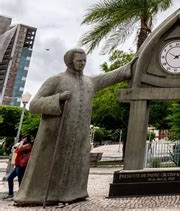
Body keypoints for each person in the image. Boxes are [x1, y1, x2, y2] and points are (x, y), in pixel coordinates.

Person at [14, 48, 135, 206]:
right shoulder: (56, 80)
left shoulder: (89, 82)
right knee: (52, 165)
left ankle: (74, 193)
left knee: (76, 163)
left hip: (79, 135)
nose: (82, 64)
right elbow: (34, 104)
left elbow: (113, 76)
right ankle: (40, 196)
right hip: (57, 134)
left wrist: (133, 64)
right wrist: (58, 99)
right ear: (70, 61)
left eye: (84, 61)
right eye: (79, 61)